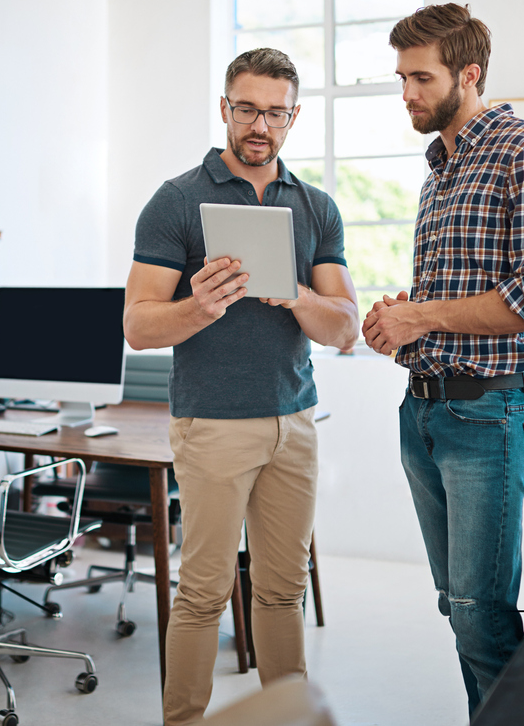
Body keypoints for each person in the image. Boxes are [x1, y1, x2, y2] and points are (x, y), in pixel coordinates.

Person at [124, 48, 360, 726]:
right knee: (202, 592)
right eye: (249, 109)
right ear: (225, 109)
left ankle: (289, 715)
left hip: (294, 420)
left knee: (282, 592)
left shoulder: (315, 207)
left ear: (294, 117)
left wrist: (289, 293)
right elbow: (138, 325)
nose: (262, 125)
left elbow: (344, 326)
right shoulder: (175, 201)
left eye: (276, 112)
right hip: (213, 425)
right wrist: (199, 305)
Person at [362, 4, 524, 715]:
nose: (407, 94)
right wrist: (398, 321)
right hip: (425, 408)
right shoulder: (439, 172)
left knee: (482, 616)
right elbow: (454, 300)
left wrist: (421, 315)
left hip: (489, 410)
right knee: (461, 610)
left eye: (420, 77)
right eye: (401, 78)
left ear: (470, 73)